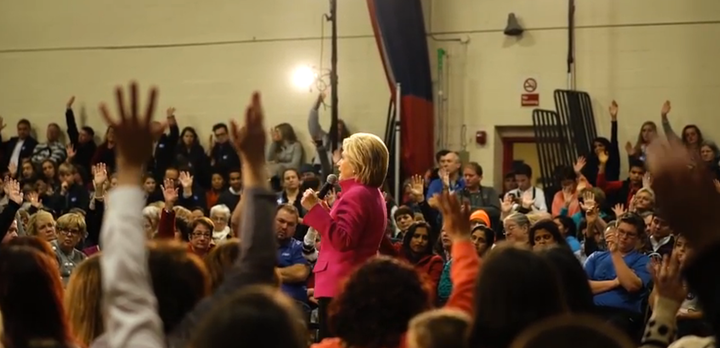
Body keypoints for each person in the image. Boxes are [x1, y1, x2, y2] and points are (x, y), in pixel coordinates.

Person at [301, 132, 390, 340]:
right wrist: (323, 211)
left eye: (345, 157)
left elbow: (344, 240)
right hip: (350, 281)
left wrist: (314, 210)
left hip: (341, 283)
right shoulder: (370, 193)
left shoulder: (357, 194)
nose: (339, 163)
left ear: (358, 164)